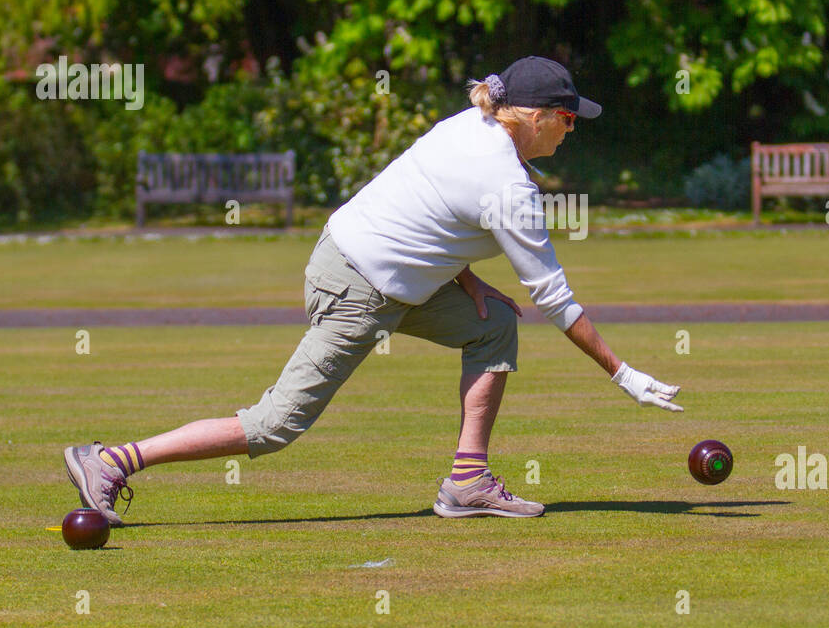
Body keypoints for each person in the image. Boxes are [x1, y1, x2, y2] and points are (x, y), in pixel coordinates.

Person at [64, 56, 683, 522]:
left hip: (367, 265)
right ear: (537, 116)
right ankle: (112, 460)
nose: (571, 131)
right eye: (568, 119)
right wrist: (622, 374)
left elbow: (430, 211)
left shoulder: (469, 124)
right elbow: (555, 298)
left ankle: (467, 482)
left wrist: (466, 279)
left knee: (494, 321)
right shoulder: (507, 185)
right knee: (276, 423)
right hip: (357, 286)